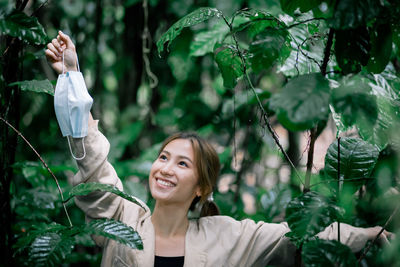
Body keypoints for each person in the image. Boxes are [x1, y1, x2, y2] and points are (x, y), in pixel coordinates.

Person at [45, 31, 393, 267]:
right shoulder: (124, 218)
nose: (165, 168)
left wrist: (373, 236)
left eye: (183, 164)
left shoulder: (226, 236)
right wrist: (72, 77)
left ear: (201, 187)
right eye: (164, 157)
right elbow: (92, 165)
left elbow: (296, 237)